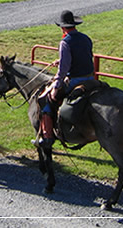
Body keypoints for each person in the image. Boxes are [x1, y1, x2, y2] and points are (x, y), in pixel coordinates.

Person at [33, 10, 94, 148]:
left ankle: (47, 136)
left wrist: (56, 85)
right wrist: (61, 60)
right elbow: (84, 57)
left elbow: (64, 70)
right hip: (90, 78)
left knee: (45, 98)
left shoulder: (65, 42)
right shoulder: (86, 38)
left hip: (75, 80)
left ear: (62, 27)